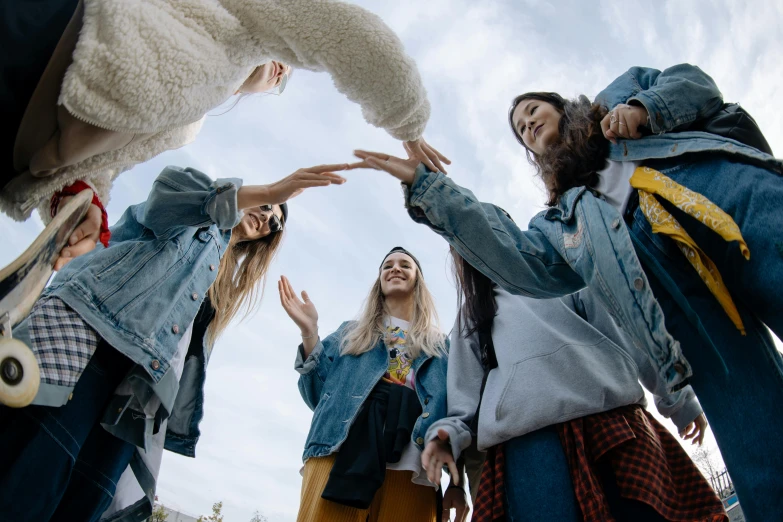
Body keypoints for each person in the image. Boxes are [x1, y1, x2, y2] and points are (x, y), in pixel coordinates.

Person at [350, 63, 783, 521]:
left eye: (532, 111)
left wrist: (642, 110)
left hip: (718, 193)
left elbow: (694, 84)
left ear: (558, 105)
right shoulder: (568, 226)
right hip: (669, 285)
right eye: (521, 130)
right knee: (756, 434)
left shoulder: (619, 94)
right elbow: (526, 262)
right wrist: (430, 188)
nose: (528, 124)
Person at [0, 162, 347, 521]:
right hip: (94, 343)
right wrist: (271, 191)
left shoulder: (220, 284)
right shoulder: (192, 208)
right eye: (265, 208)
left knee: (85, 497)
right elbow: (165, 196)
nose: (267, 218)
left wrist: (309, 333)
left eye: (274, 223)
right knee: (32, 471)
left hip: (138, 391)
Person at [1, 0, 449, 268]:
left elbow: (100, 159)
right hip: (46, 34)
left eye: (283, 79)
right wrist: (408, 123)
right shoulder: (239, 15)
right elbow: (349, 37)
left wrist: (76, 199)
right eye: (283, 61)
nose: (281, 69)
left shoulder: (187, 119)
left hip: (18, 145)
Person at [422, 246, 722, 521]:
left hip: (611, 421)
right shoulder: (471, 316)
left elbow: (624, 336)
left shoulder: (563, 275)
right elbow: (463, 400)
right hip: (528, 443)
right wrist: (444, 437)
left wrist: (676, 399)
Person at [279, 247, 448, 522]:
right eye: (387, 265)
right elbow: (316, 396)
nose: (395, 268)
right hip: (338, 454)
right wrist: (310, 334)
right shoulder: (350, 333)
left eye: (405, 265)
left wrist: (455, 484)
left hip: (413, 467)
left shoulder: (440, 347)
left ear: (418, 281)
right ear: (379, 281)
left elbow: (453, 414)